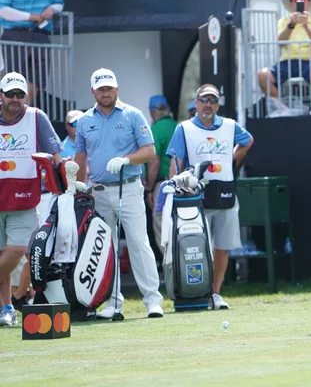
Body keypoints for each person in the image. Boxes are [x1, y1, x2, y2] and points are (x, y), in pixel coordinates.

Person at [74, 68, 163, 319]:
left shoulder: (133, 115)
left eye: (109, 88)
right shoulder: (84, 121)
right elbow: (81, 157)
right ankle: (113, 303)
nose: (106, 93)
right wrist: (80, 188)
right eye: (101, 89)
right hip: (99, 191)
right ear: (93, 91)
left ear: (117, 89)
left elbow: (149, 151)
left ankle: (152, 300)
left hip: (130, 187)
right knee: (105, 248)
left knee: (138, 243)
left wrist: (126, 159)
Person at [166, 84, 254, 310]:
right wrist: (176, 186)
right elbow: (175, 162)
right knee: (196, 245)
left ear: (218, 105)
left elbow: (247, 142)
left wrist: (233, 163)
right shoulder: (184, 128)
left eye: (213, 101)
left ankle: (215, 293)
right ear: (196, 103)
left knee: (222, 247)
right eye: (204, 100)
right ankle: (197, 291)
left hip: (225, 192)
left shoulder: (229, 125)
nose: (208, 105)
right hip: (195, 197)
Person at [0, 71, 62, 327]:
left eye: (20, 94)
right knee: (2, 253)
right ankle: (6, 308)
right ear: (0, 95)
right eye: (10, 94)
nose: (15, 99)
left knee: (15, 251)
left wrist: (61, 176)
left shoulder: (37, 116)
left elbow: (55, 152)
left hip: (25, 196)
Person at [257, 0, 311, 117]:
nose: (300, 2)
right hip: (287, 62)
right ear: (291, 3)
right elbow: (280, 43)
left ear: (309, 2)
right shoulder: (284, 22)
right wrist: (291, 24)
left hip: (309, 62)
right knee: (263, 75)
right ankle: (281, 109)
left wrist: (307, 26)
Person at [0, 0, 64, 103]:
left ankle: (24, 112)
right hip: (15, 35)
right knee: (16, 78)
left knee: (38, 79)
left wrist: (51, 8)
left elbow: (59, 3)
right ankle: (17, 113)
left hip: (41, 34)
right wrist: (30, 17)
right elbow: (2, 10)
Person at [145, 95, 177, 261]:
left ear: (152, 111)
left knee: (161, 225)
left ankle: (169, 265)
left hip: (162, 185)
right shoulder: (177, 125)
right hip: (180, 184)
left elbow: (154, 162)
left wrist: (149, 189)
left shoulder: (155, 129)